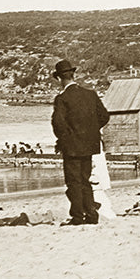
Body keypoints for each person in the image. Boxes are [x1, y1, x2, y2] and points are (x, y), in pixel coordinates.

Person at [51, 59, 110, 225]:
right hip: (89, 144)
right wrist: (90, 130)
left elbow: (58, 124)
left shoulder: (62, 98)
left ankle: (78, 216)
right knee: (85, 180)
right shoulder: (90, 94)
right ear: (73, 74)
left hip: (71, 146)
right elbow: (104, 116)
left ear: (59, 78)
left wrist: (64, 139)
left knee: (73, 182)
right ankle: (91, 214)